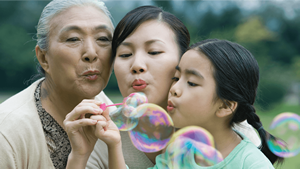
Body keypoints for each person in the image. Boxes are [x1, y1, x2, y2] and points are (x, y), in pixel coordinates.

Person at [64, 5, 262, 169]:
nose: (137, 65)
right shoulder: (102, 135)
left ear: (184, 59)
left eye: (154, 51)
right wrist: (80, 155)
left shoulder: (234, 138)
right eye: (124, 55)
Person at [93, 39, 285, 169]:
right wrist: (114, 144)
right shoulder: (178, 152)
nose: (174, 88)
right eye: (176, 78)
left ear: (225, 106)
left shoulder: (250, 164)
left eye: (192, 82)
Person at [0, 0, 116, 168]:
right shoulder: (7, 133)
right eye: (73, 39)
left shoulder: (117, 118)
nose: (91, 52)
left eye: (103, 38)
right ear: (44, 58)